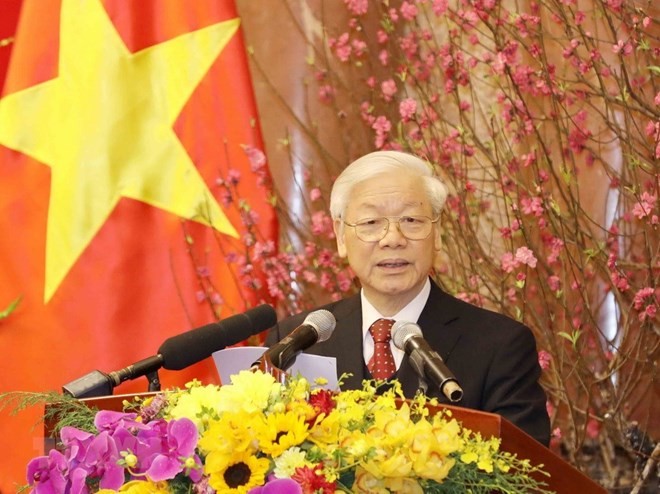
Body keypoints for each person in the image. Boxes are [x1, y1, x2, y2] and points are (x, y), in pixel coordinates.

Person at [266, 150, 551, 446]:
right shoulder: (294, 340)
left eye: (411, 219)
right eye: (371, 222)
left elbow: (525, 475)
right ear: (340, 236)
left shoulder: (500, 346)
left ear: (437, 233)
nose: (392, 238)